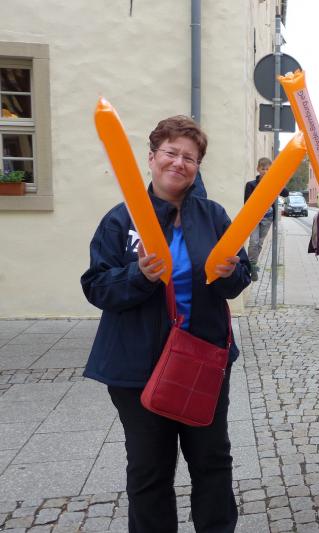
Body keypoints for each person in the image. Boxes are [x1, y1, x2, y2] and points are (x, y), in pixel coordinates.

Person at [81, 115, 251, 533]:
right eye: (171, 153)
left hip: (202, 359)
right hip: (138, 367)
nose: (179, 163)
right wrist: (138, 276)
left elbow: (239, 278)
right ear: (152, 157)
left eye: (189, 157)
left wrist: (230, 274)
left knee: (212, 461)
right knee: (149, 470)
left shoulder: (213, 216)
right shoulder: (121, 220)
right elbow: (97, 286)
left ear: (197, 166)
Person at [244, 157, 272, 280]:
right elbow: (247, 202)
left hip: (267, 218)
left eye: (268, 169)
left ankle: (252, 265)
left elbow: (285, 193)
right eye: (263, 169)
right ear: (258, 169)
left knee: (260, 243)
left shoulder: (273, 183)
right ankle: (251, 266)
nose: (265, 171)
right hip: (254, 218)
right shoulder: (251, 185)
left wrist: (275, 181)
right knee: (253, 242)